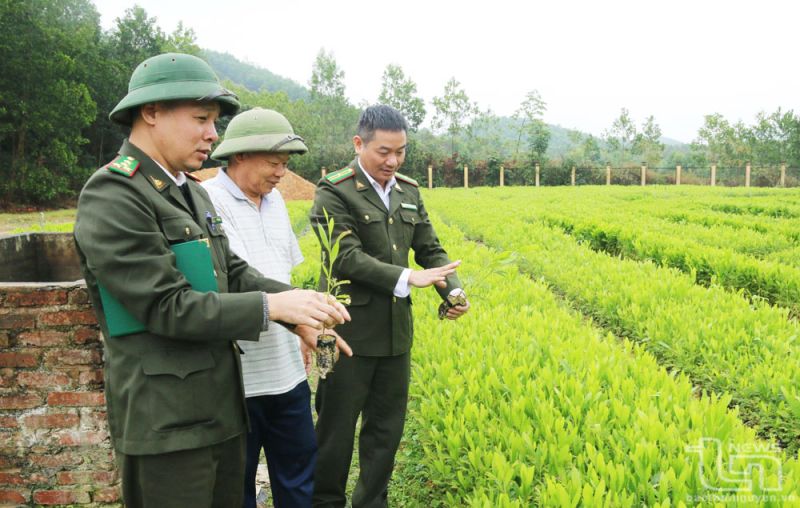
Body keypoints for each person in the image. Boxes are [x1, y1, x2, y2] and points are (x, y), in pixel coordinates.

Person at [73, 53, 349, 508]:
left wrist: (298, 307)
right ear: (151, 112)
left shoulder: (191, 191)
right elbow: (166, 306)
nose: (212, 135)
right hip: (168, 425)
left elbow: (233, 273)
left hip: (221, 410)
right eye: (201, 119)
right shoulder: (115, 194)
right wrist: (271, 309)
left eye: (214, 122)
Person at [311, 104, 470, 508]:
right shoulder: (334, 190)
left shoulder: (409, 190)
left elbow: (431, 249)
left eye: (400, 152)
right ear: (359, 143)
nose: (393, 161)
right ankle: (326, 502)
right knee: (335, 432)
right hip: (343, 333)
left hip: (395, 335)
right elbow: (344, 256)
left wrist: (452, 293)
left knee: (385, 433)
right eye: (384, 151)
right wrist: (406, 278)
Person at [202, 107, 350, 508]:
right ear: (239, 156)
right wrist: (297, 323)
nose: (281, 173)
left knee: (299, 477)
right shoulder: (207, 203)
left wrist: (304, 327)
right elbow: (233, 285)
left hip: (288, 377)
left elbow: (280, 279)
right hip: (240, 382)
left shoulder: (276, 203)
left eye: (285, 164)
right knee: (237, 487)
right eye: (273, 163)